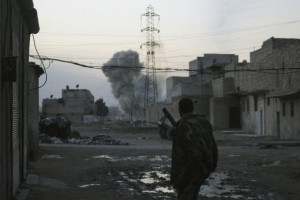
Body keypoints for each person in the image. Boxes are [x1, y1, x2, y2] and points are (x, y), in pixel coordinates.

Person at [169, 98, 218, 200]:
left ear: (180, 110)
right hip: (204, 168)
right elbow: (213, 146)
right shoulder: (204, 122)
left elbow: (181, 153)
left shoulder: (182, 125)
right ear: (192, 108)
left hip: (189, 170)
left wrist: (179, 176)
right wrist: (212, 166)